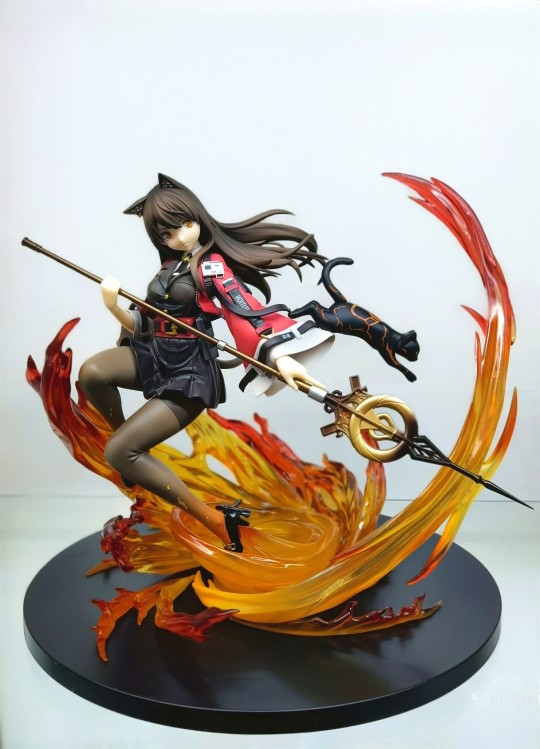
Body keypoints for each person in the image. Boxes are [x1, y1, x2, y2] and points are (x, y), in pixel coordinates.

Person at [78, 174, 333, 551]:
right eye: (167, 233)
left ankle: (217, 522)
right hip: (155, 356)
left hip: (189, 373)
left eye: (185, 224)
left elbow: (245, 312)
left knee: (117, 451)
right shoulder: (168, 268)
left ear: (197, 218)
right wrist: (113, 305)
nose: (180, 237)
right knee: (93, 373)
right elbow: (141, 323)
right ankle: (131, 452)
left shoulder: (211, 268)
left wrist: (281, 358)